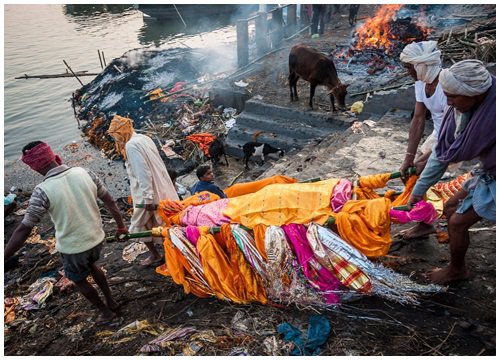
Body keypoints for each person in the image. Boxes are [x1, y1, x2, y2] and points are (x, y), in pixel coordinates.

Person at [4, 141, 128, 325]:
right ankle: (111, 300)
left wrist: (4, 255)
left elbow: (25, 228)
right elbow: (110, 202)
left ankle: (106, 313)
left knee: (78, 279)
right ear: (52, 156)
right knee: (93, 265)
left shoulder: (42, 191)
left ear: (36, 168)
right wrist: (121, 227)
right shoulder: (85, 173)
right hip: (96, 238)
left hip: (73, 247)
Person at [407, 59, 495, 285]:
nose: (449, 102)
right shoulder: (467, 108)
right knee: (449, 207)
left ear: (474, 94)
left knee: (457, 222)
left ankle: (457, 270)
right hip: (488, 170)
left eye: (454, 97)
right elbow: (442, 153)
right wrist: (419, 189)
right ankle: (457, 259)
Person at [107, 115, 179, 266]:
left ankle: (159, 255)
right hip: (162, 186)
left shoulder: (131, 146)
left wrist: (147, 198)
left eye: (116, 136)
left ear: (121, 133)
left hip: (147, 193)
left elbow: (143, 173)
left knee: (139, 225)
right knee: (163, 223)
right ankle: (167, 254)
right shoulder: (144, 138)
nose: (117, 140)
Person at [398, 40, 448, 240]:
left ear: (422, 65)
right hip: (439, 133)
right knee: (414, 172)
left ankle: (425, 223)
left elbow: (453, 131)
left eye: (410, 67)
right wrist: (409, 157)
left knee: (422, 173)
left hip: (456, 136)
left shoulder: (447, 86)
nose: (408, 72)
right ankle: (424, 222)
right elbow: (418, 119)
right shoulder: (421, 83)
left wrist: (427, 157)